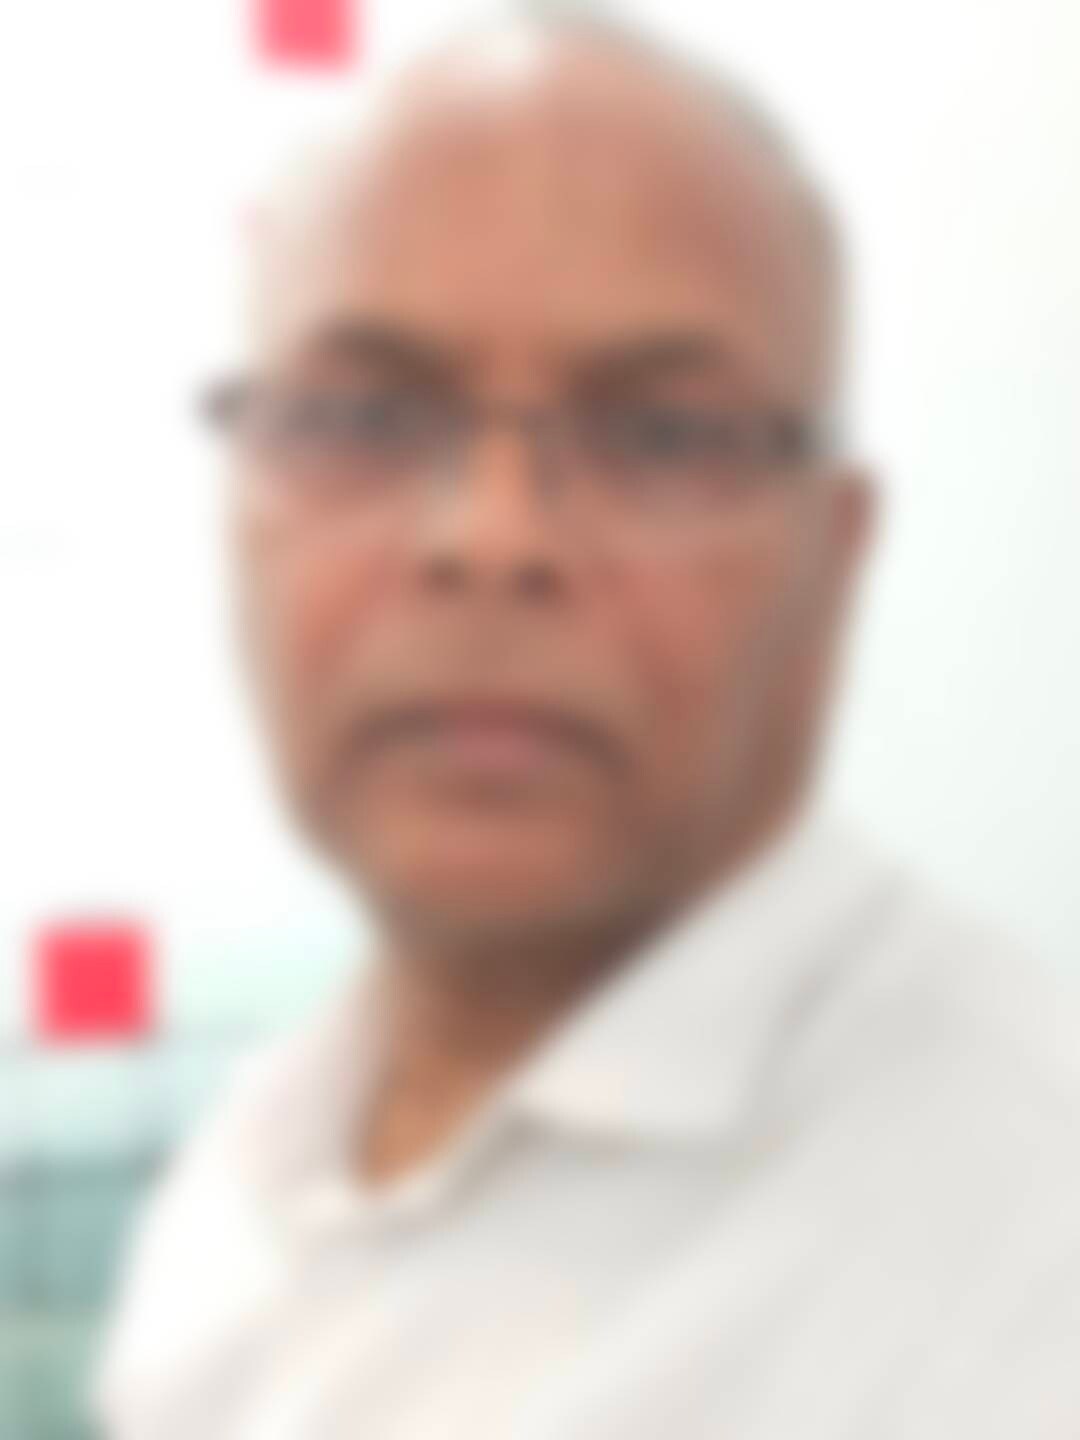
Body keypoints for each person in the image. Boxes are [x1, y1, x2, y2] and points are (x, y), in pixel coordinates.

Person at [94, 6, 1080, 1436]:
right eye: (364, 419)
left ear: (833, 559)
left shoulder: (1023, 1254)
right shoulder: (247, 1158)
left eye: (661, 436)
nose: (492, 537)